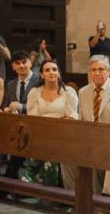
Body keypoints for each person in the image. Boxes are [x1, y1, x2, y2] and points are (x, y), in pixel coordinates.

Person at [63, 55, 110, 196]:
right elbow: (82, 120)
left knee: (103, 156)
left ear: (108, 71)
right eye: (93, 70)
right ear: (89, 73)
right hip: (89, 139)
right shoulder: (83, 92)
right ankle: (75, 196)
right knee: (65, 156)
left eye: (101, 69)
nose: (97, 73)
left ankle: (104, 201)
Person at [26, 58, 79, 187]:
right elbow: (33, 117)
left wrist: (57, 128)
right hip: (40, 133)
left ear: (58, 73)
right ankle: (40, 187)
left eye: (54, 69)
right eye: (47, 70)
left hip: (64, 134)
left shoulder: (68, 92)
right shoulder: (34, 92)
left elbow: (72, 116)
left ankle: (57, 188)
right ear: (41, 74)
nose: (51, 72)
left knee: (56, 148)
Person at [1, 50, 41, 181]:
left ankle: (9, 182)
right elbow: (7, 104)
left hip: (36, 126)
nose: (21, 66)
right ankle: (9, 181)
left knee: (16, 158)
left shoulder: (39, 81)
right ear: (13, 66)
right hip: (17, 128)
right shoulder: (11, 84)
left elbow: (42, 105)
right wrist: (6, 109)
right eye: (17, 63)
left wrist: (22, 107)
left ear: (30, 63)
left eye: (24, 62)